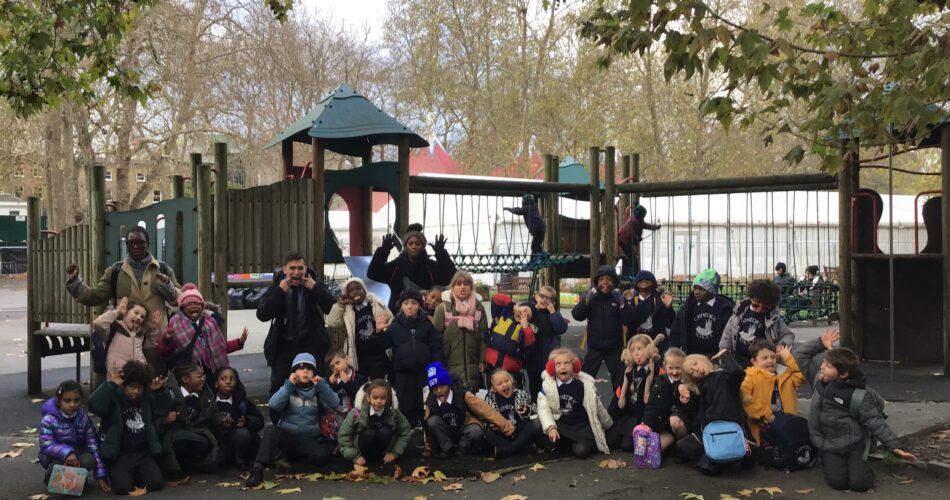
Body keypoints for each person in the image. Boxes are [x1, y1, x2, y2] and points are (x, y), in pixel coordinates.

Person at [795, 330, 916, 492]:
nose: (822, 367)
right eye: (823, 363)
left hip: (854, 445)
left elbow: (875, 421)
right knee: (838, 482)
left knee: (859, 484)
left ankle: (860, 467)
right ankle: (832, 461)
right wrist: (820, 343)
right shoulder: (819, 379)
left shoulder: (859, 395)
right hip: (828, 444)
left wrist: (894, 446)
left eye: (828, 366)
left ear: (843, 374)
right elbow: (800, 355)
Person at [66, 226, 181, 373]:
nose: (136, 246)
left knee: (155, 379)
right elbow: (95, 296)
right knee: (125, 381)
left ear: (148, 243)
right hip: (124, 340)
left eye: (140, 242)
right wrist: (75, 282)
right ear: (126, 245)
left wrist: (167, 286)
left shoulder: (162, 269)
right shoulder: (116, 271)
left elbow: (178, 299)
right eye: (131, 243)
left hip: (156, 340)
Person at [246, 353, 341, 488]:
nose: (305, 371)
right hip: (289, 438)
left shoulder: (318, 389)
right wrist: (289, 386)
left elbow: (335, 403)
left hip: (310, 439)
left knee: (322, 456)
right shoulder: (288, 388)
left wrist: (322, 386)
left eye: (309, 369)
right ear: (294, 372)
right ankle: (257, 470)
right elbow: (274, 404)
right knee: (271, 430)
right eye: (301, 368)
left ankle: (291, 466)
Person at [257, 252, 336, 395]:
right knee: (278, 385)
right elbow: (262, 314)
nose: (296, 272)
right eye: (292, 268)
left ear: (305, 268)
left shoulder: (313, 282)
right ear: (284, 269)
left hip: (310, 342)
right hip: (284, 343)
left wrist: (316, 289)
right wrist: (280, 292)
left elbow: (332, 308)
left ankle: (319, 408)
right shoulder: (277, 286)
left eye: (300, 268)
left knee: (317, 383)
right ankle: (279, 409)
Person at [87, 361, 169, 496]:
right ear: (123, 385)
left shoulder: (146, 398)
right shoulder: (114, 397)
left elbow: (162, 410)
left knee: (155, 484)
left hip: (143, 451)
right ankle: (120, 473)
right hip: (122, 452)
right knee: (122, 487)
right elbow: (93, 405)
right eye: (132, 387)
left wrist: (159, 391)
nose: (136, 391)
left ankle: (137, 473)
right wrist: (110, 384)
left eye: (140, 388)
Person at [423, 362, 514, 458]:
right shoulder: (431, 402)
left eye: (442, 386)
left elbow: (487, 411)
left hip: (464, 426)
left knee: (475, 430)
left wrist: (508, 428)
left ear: (448, 385)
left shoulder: (463, 394)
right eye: (435, 388)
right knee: (432, 421)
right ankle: (447, 449)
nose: (439, 391)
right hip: (446, 431)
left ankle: (462, 449)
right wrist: (429, 447)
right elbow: (426, 426)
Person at [677, 351, 748, 474]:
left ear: (703, 359)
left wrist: (725, 355)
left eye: (695, 363)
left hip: (728, 426)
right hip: (708, 429)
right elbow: (695, 411)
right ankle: (720, 459)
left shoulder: (725, 375)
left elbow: (739, 373)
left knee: (708, 467)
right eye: (692, 372)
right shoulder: (700, 385)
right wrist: (686, 401)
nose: (696, 369)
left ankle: (724, 459)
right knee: (681, 447)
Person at [159, 284, 248, 378]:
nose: (193, 306)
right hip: (191, 376)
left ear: (202, 306)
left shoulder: (210, 323)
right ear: (182, 308)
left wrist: (239, 342)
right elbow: (165, 352)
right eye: (189, 304)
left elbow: (221, 348)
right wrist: (166, 340)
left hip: (214, 374)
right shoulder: (175, 325)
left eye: (197, 303)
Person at [537, 348, 613, 458]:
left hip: (580, 426)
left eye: (567, 363)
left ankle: (565, 445)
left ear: (574, 366)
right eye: (558, 364)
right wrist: (551, 428)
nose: (563, 367)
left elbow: (597, 407)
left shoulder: (583, 385)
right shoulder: (548, 386)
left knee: (582, 451)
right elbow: (543, 409)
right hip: (562, 425)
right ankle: (559, 444)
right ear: (552, 368)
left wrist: (608, 425)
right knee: (537, 425)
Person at [384, 288, 443, 427]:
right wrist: (379, 332)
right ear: (401, 306)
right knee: (404, 411)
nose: (410, 306)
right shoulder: (395, 326)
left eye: (414, 303)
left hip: (424, 374)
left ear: (419, 306)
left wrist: (437, 371)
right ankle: (405, 437)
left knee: (425, 408)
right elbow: (381, 346)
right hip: (402, 376)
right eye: (406, 303)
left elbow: (436, 349)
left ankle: (425, 436)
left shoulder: (427, 326)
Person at [39, 381, 110, 493]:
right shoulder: (48, 420)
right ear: (59, 401)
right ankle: (53, 478)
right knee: (56, 468)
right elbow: (46, 445)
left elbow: (93, 446)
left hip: (78, 455)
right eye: (67, 400)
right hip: (56, 456)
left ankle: (77, 478)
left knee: (89, 460)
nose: (72, 404)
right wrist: (67, 453)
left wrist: (100, 474)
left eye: (76, 400)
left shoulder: (84, 419)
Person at [367, 226, 456, 313]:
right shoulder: (396, 266)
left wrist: (441, 253)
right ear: (405, 246)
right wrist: (383, 251)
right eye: (410, 243)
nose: (414, 246)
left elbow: (451, 277)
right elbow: (373, 273)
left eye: (417, 244)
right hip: (398, 314)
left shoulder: (430, 267)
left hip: (425, 314)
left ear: (422, 246)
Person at [572, 265, 634, 390]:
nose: (605, 283)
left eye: (609, 280)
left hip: (614, 347)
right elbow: (577, 315)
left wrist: (622, 303)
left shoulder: (618, 298)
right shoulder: (591, 298)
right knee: (584, 380)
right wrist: (586, 301)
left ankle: (620, 401)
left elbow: (630, 319)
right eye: (601, 280)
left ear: (614, 282)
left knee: (620, 381)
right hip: (595, 346)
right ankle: (582, 399)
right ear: (596, 282)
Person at [158, 363, 221, 478]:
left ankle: (193, 465)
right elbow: (157, 417)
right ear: (185, 379)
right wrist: (166, 420)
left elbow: (214, 412)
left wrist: (223, 422)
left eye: (203, 376)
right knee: (179, 438)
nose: (203, 379)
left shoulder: (206, 394)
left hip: (198, 431)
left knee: (205, 441)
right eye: (199, 376)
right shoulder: (170, 394)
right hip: (175, 433)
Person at [740, 340, 804, 445]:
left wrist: (788, 358)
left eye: (773, 357)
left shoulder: (784, 374)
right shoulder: (749, 377)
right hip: (763, 425)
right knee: (766, 452)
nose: (770, 361)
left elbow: (801, 377)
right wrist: (765, 414)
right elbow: (746, 401)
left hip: (785, 421)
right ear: (754, 361)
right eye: (765, 358)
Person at [719, 279, 794, 366]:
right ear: (751, 298)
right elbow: (727, 333)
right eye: (756, 305)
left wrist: (782, 345)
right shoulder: (740, 311)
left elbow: (788, 335)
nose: (759, 309)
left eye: (764, 307)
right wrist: (724, 349)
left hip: (762, 362)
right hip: (739, 359)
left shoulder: (772, 318)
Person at [434, 271, 488, 390]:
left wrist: (482, 360)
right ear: (453, 287)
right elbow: (435, 338)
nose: (462, 287)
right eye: (458, 284)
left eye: (466, 284)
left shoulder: (479, 308)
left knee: (473, 397)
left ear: (471, 287)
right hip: (449, 366)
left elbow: (484, 336)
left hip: (473, 368)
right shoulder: (443, 309)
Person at [337, 380, 412, 465]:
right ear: (368, 397)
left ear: (387, 398)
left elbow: (405, 432)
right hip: (361, 451)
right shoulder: (357, 413)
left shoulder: (394, 413)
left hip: (383, 452)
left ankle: (380, 456)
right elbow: (344, 435)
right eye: (375, 398)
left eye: (382, 398)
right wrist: (354, 456)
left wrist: (394, 453)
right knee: (369, 433)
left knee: (385, 431)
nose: (379, 401)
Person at [607, 334, 660, 452]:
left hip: (642, 415)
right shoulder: (628, 371)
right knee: (610, 441)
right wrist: (609, 419)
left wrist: (647, 422)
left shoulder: (655, 372)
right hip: (628, 413)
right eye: (633, 350)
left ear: (649, 350)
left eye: (639, 349)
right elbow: (619, 394)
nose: (636, 353)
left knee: (627, 445)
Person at [670, 268, 734, 357]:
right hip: (692, 355)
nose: (696, 292)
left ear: (712, 290)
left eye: (701, 289)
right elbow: (676, 331)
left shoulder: (724, 309)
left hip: (715, 356)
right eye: (695, 288)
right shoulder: (688, 308)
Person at [212, 367, 264, 470]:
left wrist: (247, 421)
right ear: (216, 383)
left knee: (244, 434)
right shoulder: (210, 400)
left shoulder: (240, 401)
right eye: (223, 379)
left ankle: (241, 460)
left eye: (232, 379)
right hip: (217, 438)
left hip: (238, 438)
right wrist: (221, 423)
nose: (228, 382)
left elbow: (259, 420)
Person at [640, 347, 689, 452]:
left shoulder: (688, 383)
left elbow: (693, 410)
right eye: (671, 368)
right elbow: (651, 406)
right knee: (653, 450)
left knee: (675, 423)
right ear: (665, 366)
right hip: (664, 427)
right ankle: (671, 444)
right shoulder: (659, 382)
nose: (674, 372)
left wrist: (685, 399)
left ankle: (683, 446)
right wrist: (645, 423)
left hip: (682, 425)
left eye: (678, 368)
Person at [484, 370, 541, 458]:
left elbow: (536, 410)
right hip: (502, 431)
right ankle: (522, 448)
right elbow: (485, 416)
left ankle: (507, 450)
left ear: (512, 381)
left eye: (507, 381)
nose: (504, 385)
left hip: (519, 430)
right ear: (493, 388)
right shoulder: (490, 399)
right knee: (487, 432)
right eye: (499, 384)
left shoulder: (521, 394)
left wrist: (528, 410)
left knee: (532, 426)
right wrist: (491, 423)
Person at [92, 297, 155, 374]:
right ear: (126, 312)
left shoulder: (141, 335)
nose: (139, 317)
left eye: (142, 317)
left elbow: (153, 344)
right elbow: (98, 323)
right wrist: (118, 311)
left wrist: (154, 328)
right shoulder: (113, 330)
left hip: (138, 376)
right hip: (118, 375)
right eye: (136, 313)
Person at [484, 294, 536, 385]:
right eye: (523, 309)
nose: (524, 313)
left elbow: (529, 343)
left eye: (527, 314)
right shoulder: (502, 316)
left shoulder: (527, 329)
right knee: (492, 390)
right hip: (491, 366)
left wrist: (525, 326)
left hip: (510, 372)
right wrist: (512, 304)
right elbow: (496, 298)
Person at [322, 350, 369, 443]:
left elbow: (362, 397)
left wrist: (348, 382)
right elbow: (327, 402)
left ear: (346, 359)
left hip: (355, 418)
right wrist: (330, 385)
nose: (336, 367)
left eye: (338, 363)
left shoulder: (360, 378)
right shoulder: (332, 381)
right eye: (332, 367)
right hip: (337, 420)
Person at [626, 270, 675, 352]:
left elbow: (670, 323)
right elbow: (628, 323)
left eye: (647, 279)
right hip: (638, 346)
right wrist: (626, 305)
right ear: (636, 284)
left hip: (658, 345)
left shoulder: (661, 299)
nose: (644, 281)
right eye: (641, 279)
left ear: (653, 283)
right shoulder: (631, 300)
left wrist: (668, 307)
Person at [618, 205, 660, 278]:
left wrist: (655, 227)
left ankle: (631, 274)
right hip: (624, 241)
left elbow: (646, 225)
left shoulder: (638, 220)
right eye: (643, 214)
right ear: (640, 214)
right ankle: (628, 275)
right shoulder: (633, 221)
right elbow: (629, 233)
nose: (644, 216)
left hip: (627, 241)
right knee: (631, 258)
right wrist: (637, 239)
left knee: (632, 258)